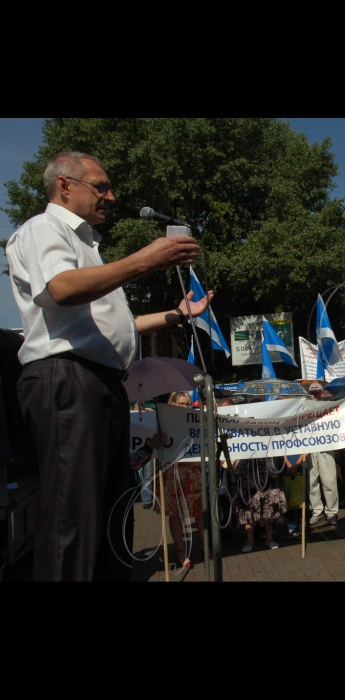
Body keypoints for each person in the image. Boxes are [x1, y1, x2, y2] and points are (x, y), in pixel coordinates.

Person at [7, 151, 212, 581]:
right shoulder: (45, 228)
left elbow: (115, 325)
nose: (111, 196)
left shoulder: (87, 247)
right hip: (68, 378)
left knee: (109, 515)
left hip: (100, 383)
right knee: (73, 516)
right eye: (101, 186)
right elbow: (61, 289)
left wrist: (177, 316)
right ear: (64, 185)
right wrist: (145, 260)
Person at [162, 392, 208, 569]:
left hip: (193, 473)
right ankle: (180, 551)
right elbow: (165, 451)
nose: (183, 407)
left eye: (186, 404)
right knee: (176, 513)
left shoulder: (194, 421)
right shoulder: (165, 423)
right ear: (172, 403)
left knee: (199, 511)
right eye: (180, 403)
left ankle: (204, 545)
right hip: (175, 473)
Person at [232, 457, 287, 552]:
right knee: (249, 510)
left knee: (269, 509)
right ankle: (250, 540)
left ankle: (269, 538)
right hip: (248, 476)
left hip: (268, 474)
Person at [306, 383, 339, 527]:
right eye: (313, 393)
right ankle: (316, 511)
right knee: (312, 481)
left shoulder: (329, 408)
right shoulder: (304, 407)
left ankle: (331, 512)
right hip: (310, 447)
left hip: (326, 447)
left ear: (322, 393)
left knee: (329, 481)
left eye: (317, 392)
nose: (315, 395)